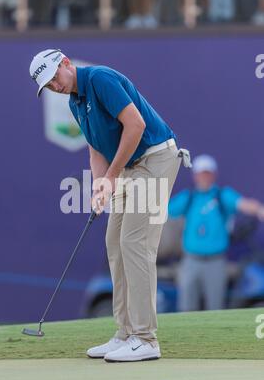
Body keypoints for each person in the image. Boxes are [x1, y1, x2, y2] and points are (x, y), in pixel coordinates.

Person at [29, 49, 189, 362]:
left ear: (65, 63)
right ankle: (125, 333)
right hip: (129, 166)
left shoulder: (99, 78)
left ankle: (146, 339)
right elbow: (96, 150)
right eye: (47, 86)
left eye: (54, 78)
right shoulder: (75, 102)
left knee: (135, 242)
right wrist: (100, 185)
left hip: (156, 158)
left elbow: (136, 125)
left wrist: (112, 176)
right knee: (114, 243)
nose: (54, 86)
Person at [168, 154, 264, 312]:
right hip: (191, 261)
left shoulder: (222, 195)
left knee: (215, 309)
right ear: (196, 176)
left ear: (214, 174)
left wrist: (259, 209)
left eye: (208, 173)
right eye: (201, 173)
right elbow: (166, 212)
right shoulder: (189, 197)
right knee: (186, 309)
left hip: (215, 262)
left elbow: (244, 204)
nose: (204, 177)